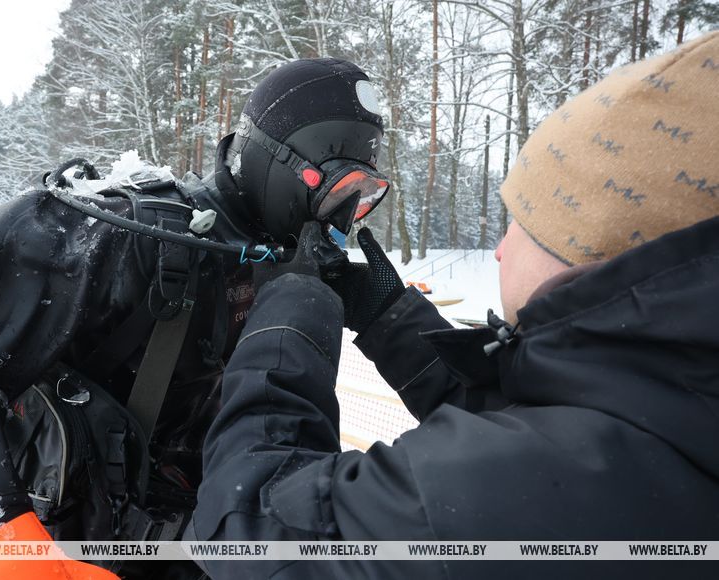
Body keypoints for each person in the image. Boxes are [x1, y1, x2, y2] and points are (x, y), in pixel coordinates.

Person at [188, 32, 719, 578]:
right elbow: (511, 414)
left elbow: (251, 528)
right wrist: (387, 312)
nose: (500, 247)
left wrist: (291, 311)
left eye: (523, 223)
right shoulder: (661, 412)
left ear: (594, 251)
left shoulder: (533, 487)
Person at [0, 58, 391, 579]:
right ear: (281, 163)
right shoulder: (128, 237)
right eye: (339, 189)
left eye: (363, 197)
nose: (343, 217)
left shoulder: (286, 268)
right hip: (82, 553)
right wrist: (6, 543)